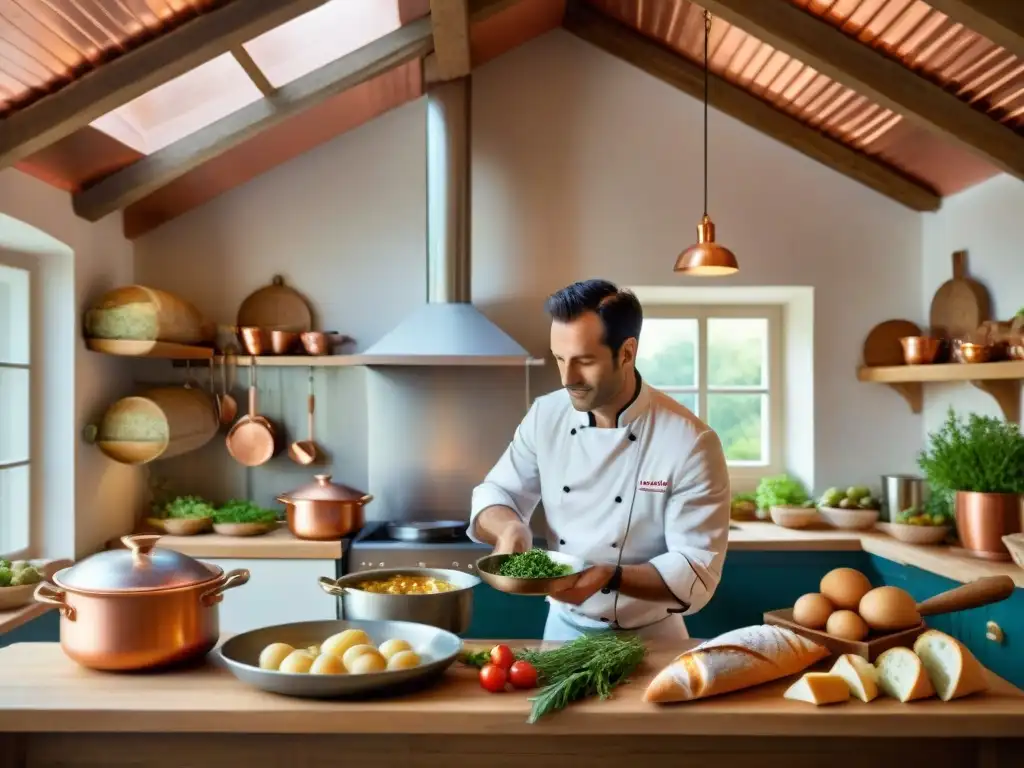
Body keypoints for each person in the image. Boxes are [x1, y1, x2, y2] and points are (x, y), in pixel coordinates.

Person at [468, 279, 731, 643]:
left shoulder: (690, 441)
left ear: (626, 352)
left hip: (652, 640)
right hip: (561, 632)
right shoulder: (546, 415)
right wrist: (508, 528)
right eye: (560, 359)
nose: (568, 378)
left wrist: (610, 575)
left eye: (585, 361)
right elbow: (497, 492)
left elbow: (697, 569)